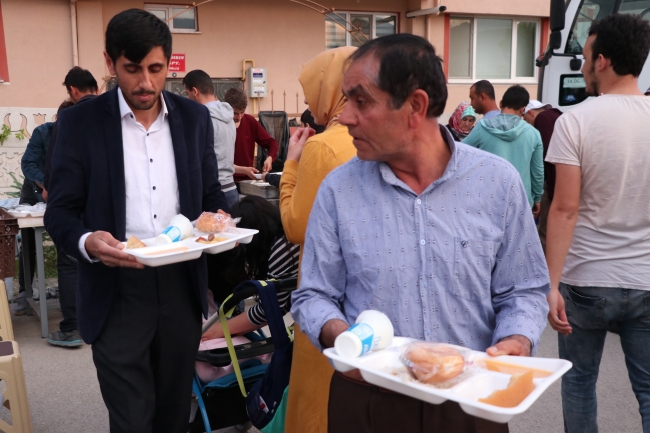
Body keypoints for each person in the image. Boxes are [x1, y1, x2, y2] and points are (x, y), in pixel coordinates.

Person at [290, 34, 550, 433]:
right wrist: (340, 335)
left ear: (415, 106)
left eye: (361, 101)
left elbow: (524, 288)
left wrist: (518, 337)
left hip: (471, 401)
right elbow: (313, 294)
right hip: (367, 402)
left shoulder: (497, 183)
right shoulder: (338, 190)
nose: (346, 117)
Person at [44, 9, 229, 432]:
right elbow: (60, 211)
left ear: (168, 64)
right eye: (132, 69)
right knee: (131, 419)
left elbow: (210, 196)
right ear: (110, 63)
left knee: (173, 416)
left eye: (156, 69)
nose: (146, 82)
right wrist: (88, 241)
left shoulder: (193, 119)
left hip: (181, 288)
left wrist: (221, 219)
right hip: (116, 290)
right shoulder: (80, 122)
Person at [545, 14, 650, 433]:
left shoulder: (574, 121)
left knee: (579, 383)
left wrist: (551, 285)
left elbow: (564, 209)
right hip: (645, 278)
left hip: (585, 279)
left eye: (586, 56)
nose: (583, 65)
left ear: (602, 61)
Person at [280, 46, 358, 433]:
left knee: (318, 406)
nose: (309, 102)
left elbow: (296, 226)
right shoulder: (378, 139)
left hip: (325, 298)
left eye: (310, 91)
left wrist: (291, 163)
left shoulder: (323, 146)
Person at [203, 195, 299, 340]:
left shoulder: (284, 249)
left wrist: (219, 329)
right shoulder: (284, 240)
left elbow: (268, 309)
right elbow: (279, 306)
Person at [463, 85, 544, 217]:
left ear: (501, 103)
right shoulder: (533, 134)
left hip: (487, 203)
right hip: (521, 202)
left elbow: (460, 154)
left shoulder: (482, 128)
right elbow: (537, 172)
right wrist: (537, 198)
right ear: (523, 109)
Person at [183, 69, 238, 207]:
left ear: (195, 91)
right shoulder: (229, 117)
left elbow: (195, 159)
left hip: (212, 193)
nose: (187, 98)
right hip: (231, 188)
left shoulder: (202, 119)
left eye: (187, 93)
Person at [43, 66, 99, 199]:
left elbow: (54, 158)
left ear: (73, 90)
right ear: (97, 89)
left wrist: (48, 187)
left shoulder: (68, 117)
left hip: (77, 193)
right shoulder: (113, 113)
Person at [523, 100, 562, 251]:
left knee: (546, 232)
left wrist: (549, 191)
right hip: (565, 179)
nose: (527, 124)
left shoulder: (543, 118)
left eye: (526, 119)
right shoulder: (556, 116)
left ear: (531, 113)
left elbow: (547, 157)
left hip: (555, 183)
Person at [223, 87, 278, 182]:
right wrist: (243, 170)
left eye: (242, 112)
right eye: (235, 113)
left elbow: (272, 143)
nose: (239, 117)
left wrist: (270, 158)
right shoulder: (221, 124)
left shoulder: (250, 121)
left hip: (247, 180)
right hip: (226, 180)